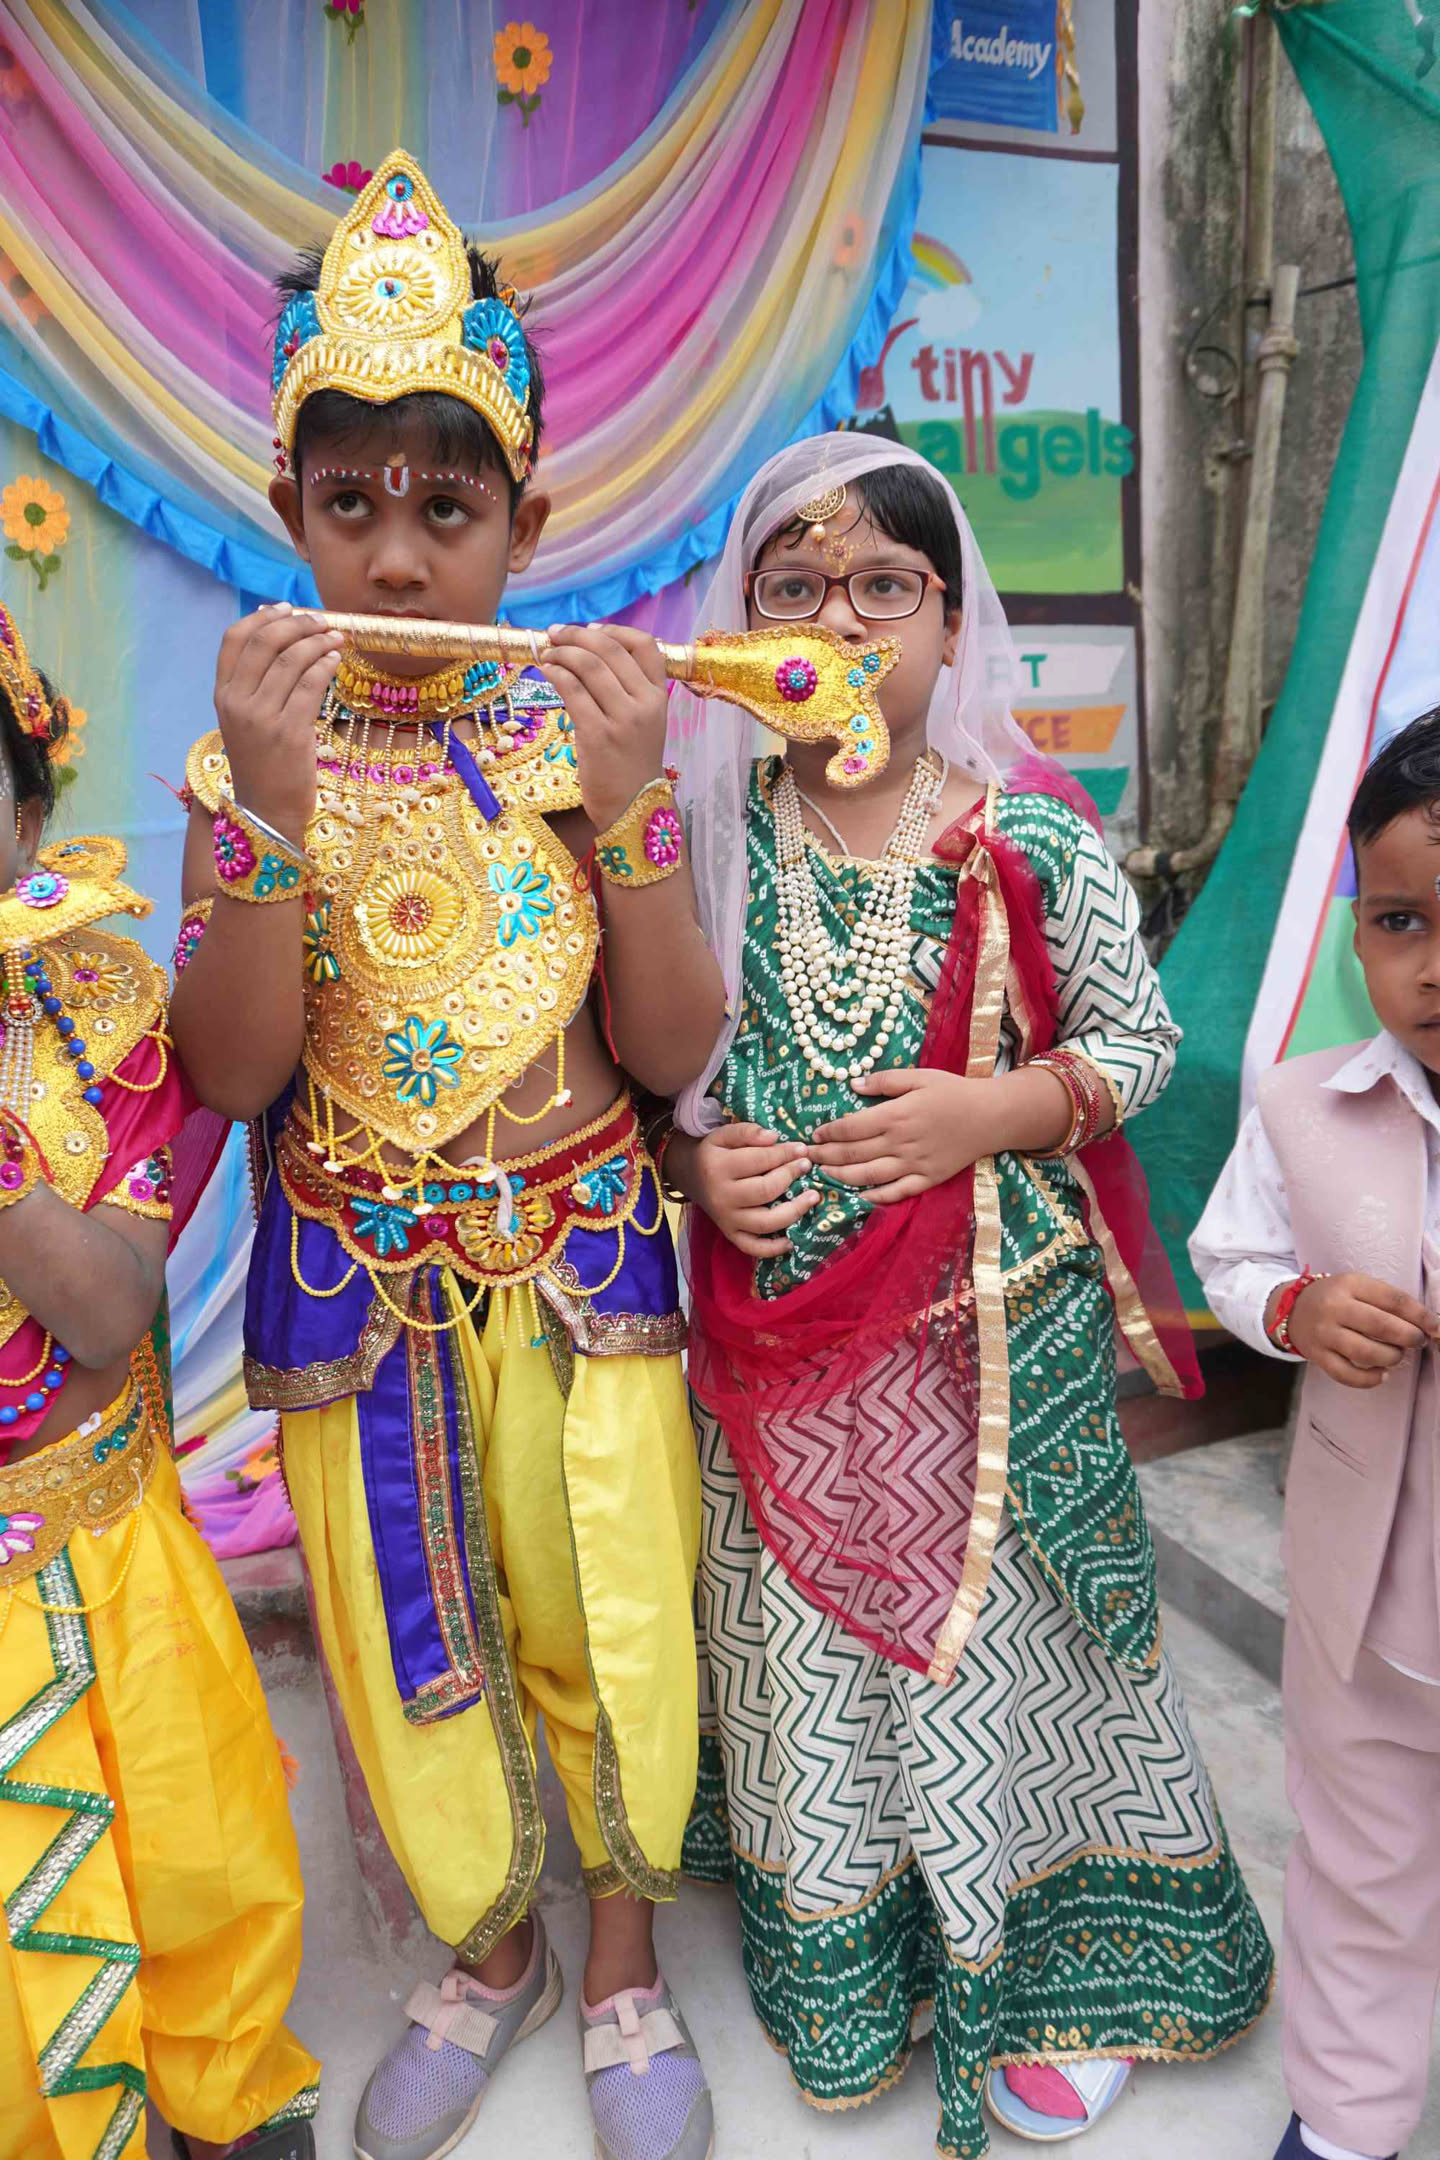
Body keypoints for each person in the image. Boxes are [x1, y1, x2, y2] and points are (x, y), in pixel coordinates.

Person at [168, 152, 724, 2160]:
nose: (396, 563)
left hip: (581, 1270)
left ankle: (628, 1964)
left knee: (607, 1616)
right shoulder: (245, 762)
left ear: (528, 524)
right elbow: (233, 1072)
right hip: (357, 1284)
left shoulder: (585, 738)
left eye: (447, 510)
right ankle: (491, 1956)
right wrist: (262, 816)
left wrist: (639, 808)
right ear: (288, 511)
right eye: (351, 508)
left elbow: (672, 1048)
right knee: (413, 1634)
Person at [658, 435, 1274, 2157]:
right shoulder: (700, 836)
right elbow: (643, 1073)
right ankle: (856, 1958)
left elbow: (1141, 1047)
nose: (841, 622)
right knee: (805, 1654)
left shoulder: (1029, 831)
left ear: (951, 622)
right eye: (796, 587)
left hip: (992, 1345)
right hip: (776, 1345)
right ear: (742, 625)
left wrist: (985, 1116)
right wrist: (695, 1168)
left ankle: (1065, 1968)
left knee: (1000, 1660)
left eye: (884, 587)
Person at [0, 601, 319, 2160]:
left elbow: (112, 1312)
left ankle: (212, 2077)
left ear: (27, 820)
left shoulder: (101, 1015)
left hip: (101, 1548)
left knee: (190, 1857)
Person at [1192, 706, 1440, 2160]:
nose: (1435, 966)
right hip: (1370, 1605)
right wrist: (1298, 1309)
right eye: (1403, 921)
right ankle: (1349, 2119)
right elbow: (1231, 1259)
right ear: (1356, 932)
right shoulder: (1302, 1106)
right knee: (1361, 1865)